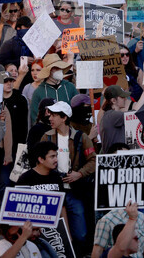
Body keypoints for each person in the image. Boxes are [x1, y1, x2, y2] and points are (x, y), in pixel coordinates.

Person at [36, 101, 96, 245]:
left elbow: (94, 160)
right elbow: (39, 162)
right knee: (54, 235)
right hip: (54, 192)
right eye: (50, 115)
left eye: (54, 115)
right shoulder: (47, 137)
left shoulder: (81, 137)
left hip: (75, 192)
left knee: (80, 234)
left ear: (64, 118)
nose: (50, 118)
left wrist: (79, 174)